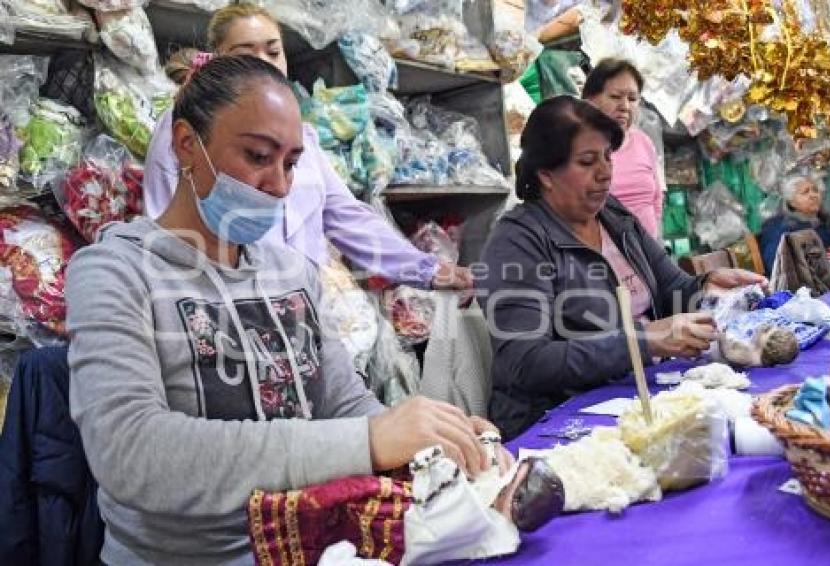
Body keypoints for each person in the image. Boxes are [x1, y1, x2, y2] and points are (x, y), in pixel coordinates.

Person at [67, 56, 505, 565]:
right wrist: (368, 440)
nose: (278, 184)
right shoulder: (115, 271)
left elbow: (343, 405)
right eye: (257, 155)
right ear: (187, 145)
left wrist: (429, 445)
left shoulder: (292, 272)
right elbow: (132, 453)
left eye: (291, 162)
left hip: (308, 543)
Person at [477, 96, 766, 439]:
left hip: (637, 394)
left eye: (607, 157)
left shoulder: (612, 216)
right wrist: (643, 342)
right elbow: (525, 362)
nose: (605, 173)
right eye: (587, 162)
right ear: (546, 175)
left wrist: (707, 285)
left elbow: (672, 288)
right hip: (557, 425)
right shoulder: (518, 241)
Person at [144, 2, 471, 290]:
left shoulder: (301, 136)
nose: (266, 63)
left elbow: (347, 217)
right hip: (225, 303)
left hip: (301, 308)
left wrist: (427, 270)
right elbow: (166, 222)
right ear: (217, 63)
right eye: (246, 54)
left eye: (273, 51)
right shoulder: (187, 125)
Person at [582, 58, 665, 239]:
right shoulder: (575, 148)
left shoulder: (644, 142)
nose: (625, 107)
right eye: (615, 97)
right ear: (589, 101)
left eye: (633, 99)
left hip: (646, 257)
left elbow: (657, 198)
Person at [760, 174, 830, 277]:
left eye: (815, 190)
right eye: (805, 192)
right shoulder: (777, 228)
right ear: (791, 202)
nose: (813, 195)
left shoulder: (825, 221)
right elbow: (778, 265)